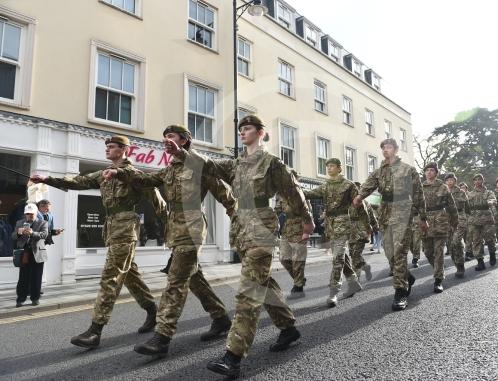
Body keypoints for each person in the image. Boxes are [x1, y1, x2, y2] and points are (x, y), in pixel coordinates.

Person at [104, 125, 236, 356]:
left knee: (176, 281)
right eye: (164, 136)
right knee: (194, 278)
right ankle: (221, 318)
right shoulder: (169, 169)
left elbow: (225, 195)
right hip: (175, 229)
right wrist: (120, 173)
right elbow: (147, 180)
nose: (166, 139)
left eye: (171, 136)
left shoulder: (199, 164)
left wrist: (238, 220)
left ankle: (162, 336)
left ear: (184, 140)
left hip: (192, 227)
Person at [206, 115, 314, 378]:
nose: (242, 132)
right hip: (242, 227)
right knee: (262, 282)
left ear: (261, 132)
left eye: (248, 128)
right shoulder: (236, 164)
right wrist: (184, 151)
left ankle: (233, 356)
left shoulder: (272, 163)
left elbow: (294, 192)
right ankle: (288, 328)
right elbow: (208, 164)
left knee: (249, 290)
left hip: (262, 227)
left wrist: (307, 221)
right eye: (240, 129)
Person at [31, 135, 159, 349]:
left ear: (124, 150)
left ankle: (95, 330)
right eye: (106, 147)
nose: (107, 150)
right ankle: (153, 311)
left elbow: (157, 200)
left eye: (112, 147)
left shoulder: (135, 175)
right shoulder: (102, 175)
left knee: (110, 277)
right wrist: (46, 179)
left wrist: (172, 227)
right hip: (111, 228)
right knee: (129, 275)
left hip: (126, 229)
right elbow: (76, 182)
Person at [353, 138, 427, 311]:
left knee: (400, 252)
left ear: (395, 149)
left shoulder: (408, 170)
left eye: (389, 147)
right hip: (385, 214)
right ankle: (407, 277)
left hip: (403, 212)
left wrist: (423, 218)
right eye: (383, 148)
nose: (385, 150)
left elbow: (418, 194)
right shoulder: (380, 171)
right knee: (389, 252)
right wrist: (358, 197)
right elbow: (368, 185)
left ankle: (400, 291)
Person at [303, 158, 363, 307]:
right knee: (342, 256)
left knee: (337, 258)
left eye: (332, 166)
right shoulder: (326, 186)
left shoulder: (349, 185)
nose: (329, 169)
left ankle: (333, 292)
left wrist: (365, 227)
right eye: (327, 166)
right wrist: (293, 188)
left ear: (339, 168)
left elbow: (360, 206)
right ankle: (353, 282)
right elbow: (309, 194)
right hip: (330, 225)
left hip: (343, 224)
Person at [274, 171, 313, 299]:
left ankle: (298, 287)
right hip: (287, 229)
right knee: (284, 259)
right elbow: (276, 211)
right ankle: (300, 279)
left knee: (298, 260)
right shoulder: (281, 194)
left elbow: (308, 212)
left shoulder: (301, 193)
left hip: (300, 227)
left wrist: (307, 231)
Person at [421, 163, 458, 292]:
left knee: (439, 252)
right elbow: (414, 206)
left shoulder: (443, 187)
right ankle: (439, 268)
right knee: (427, 252)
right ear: (425, 173)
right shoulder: (420, 187)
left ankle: (438, 280)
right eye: (427, 170)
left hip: (440, 220)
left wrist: (454, 221)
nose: (430, 172)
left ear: (436, 173)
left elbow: (451, 205)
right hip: (424, 221)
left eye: (432, 170)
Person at [13, 203, 48, 307]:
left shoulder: (43, 222)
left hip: (37, 254)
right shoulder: (19, 222)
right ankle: (20, 299)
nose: (29, 216)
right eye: (27, 214)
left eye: (31, 214)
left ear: (36, 213)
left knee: (36, 278)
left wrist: (32, 233)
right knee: (23, 278)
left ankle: (35, 298)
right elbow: (13, 236)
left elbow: (44, 235)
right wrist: (19, 233)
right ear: (25, 214)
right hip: (24, 254)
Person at [466, 174, 497, 271]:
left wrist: (491, 202)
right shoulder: (469, 194)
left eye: (480, 179)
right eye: (476, 180)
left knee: (490, 239)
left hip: (486, 218)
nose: (478, 181)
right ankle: (480, 262)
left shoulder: (488, 192)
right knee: (476, 241)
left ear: (483, 181)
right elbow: (465, 205)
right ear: (473, 182)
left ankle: (492, 254)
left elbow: (493, 199)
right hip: (474, 219)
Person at [445, 173, 469, 277]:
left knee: (456, 241)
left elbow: (467, 207)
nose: (449, 182)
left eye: (451, 180)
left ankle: (460, 266)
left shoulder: (461, 192)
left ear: (455, 181)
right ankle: (457, 263)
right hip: (447, 220)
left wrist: (468, 219)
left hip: (460, 219)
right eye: (447, 180)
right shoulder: (443, 192)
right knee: (450, 246)